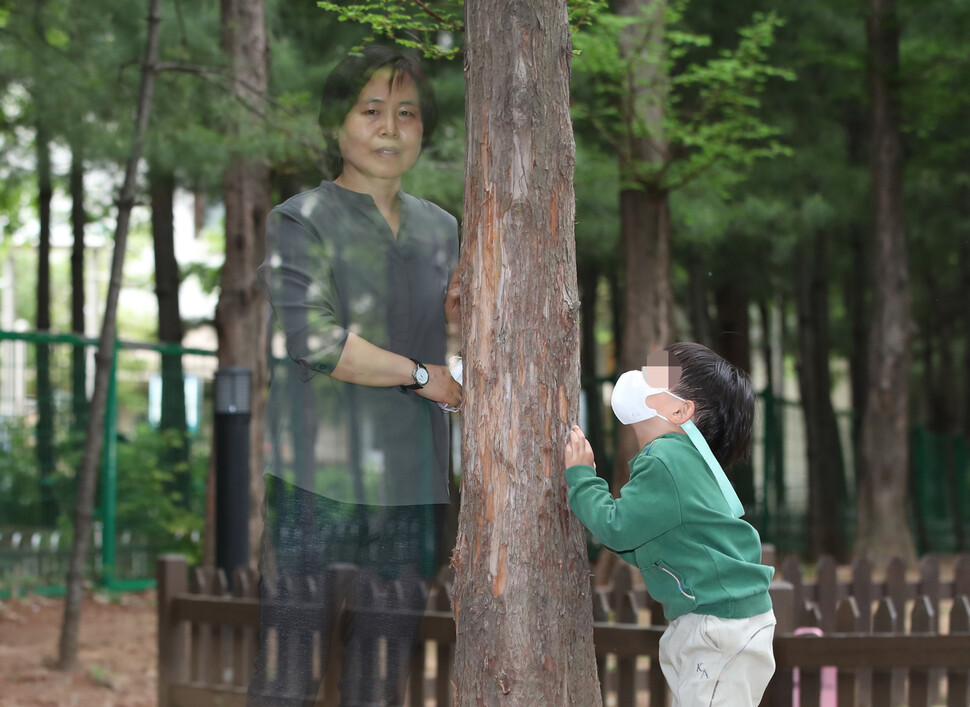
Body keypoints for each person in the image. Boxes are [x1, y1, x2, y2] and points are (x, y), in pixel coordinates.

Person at [247, 45, 461, 706]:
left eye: (407, 113)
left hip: (412, 486)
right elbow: (314, 338)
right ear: (336, 123)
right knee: (287, 677)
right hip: (316, 483)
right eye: (371, 111)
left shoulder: (445, 229)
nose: (390, 128)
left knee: (381, 682)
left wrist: (458, 319)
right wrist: (424, 373)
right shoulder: (300, 218)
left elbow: (458, 333)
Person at [563, 342, 776, 706]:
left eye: (654, 376)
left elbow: (617, 528)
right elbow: (642, 539)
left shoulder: (666, 459)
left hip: (716, 626)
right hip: (721, 622)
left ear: (680, 410)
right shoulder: (684, 461)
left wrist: (582, 479)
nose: (638, 378)